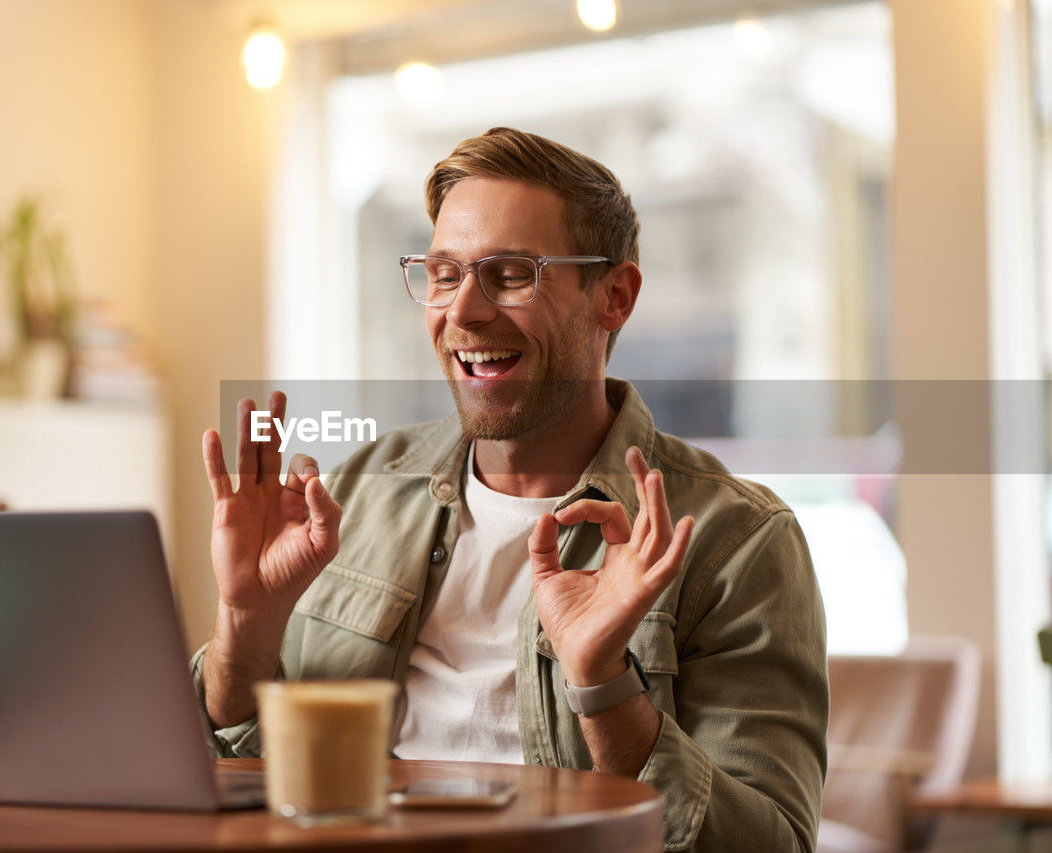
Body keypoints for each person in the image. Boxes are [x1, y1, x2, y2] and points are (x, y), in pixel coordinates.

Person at [193, 127, 827, 852]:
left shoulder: (737, 540)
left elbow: (769, 842)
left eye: (511, 274)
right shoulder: (356, 498)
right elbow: (225, 789)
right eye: (443, 273)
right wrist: (245, 622)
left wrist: (602, 683)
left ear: (614, 295)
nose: (463, 311)